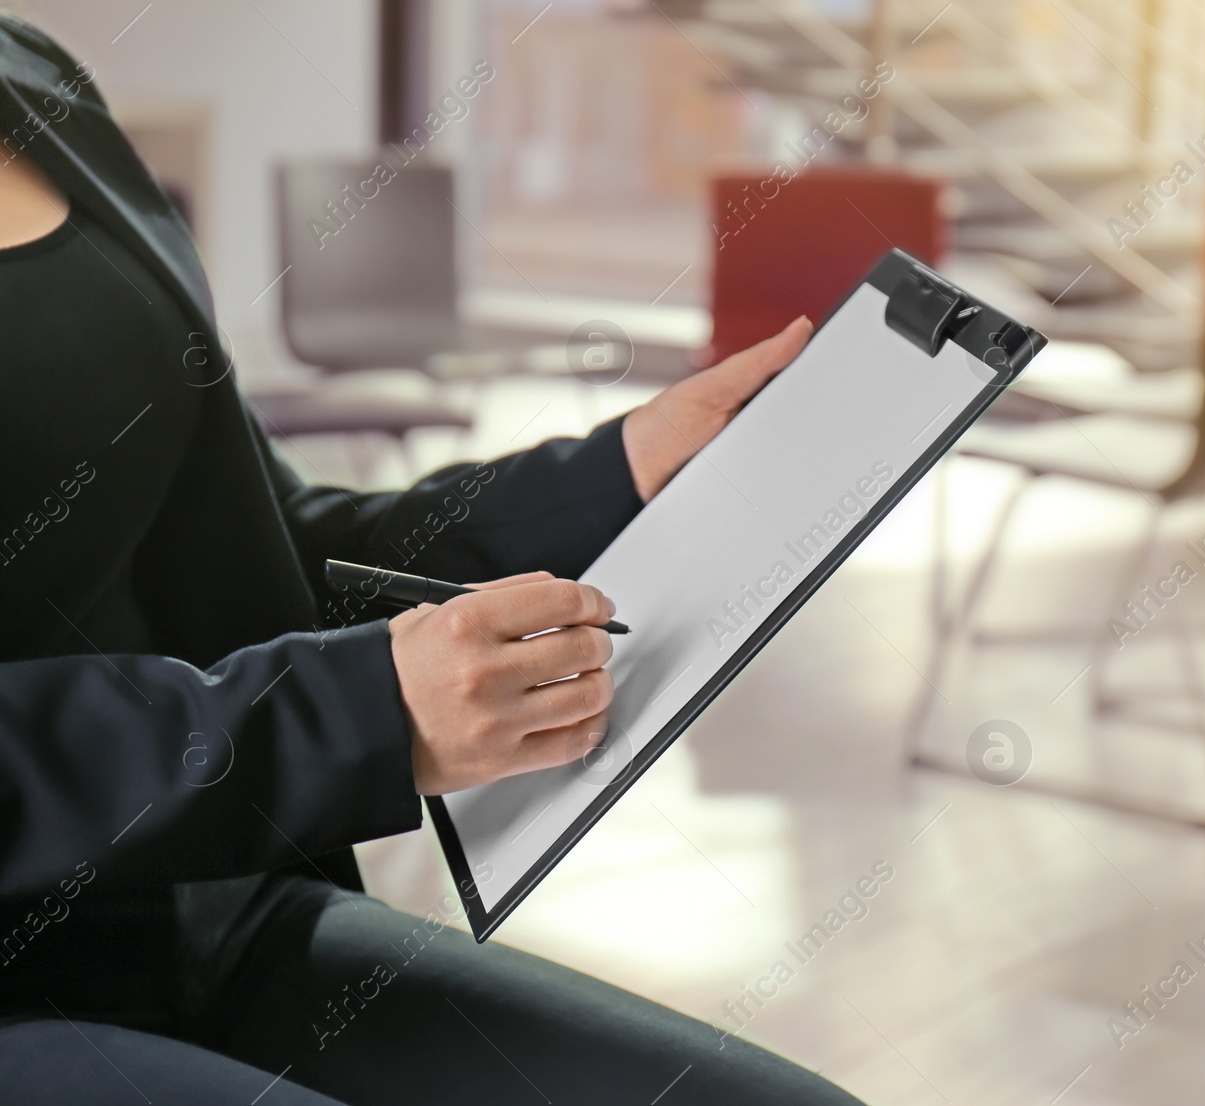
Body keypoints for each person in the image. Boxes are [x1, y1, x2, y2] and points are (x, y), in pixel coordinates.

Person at [0, 14, 862, 1105]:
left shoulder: (33, 76)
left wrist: (616, 477)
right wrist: (353, 713)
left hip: (194, 904)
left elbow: (255, 542)